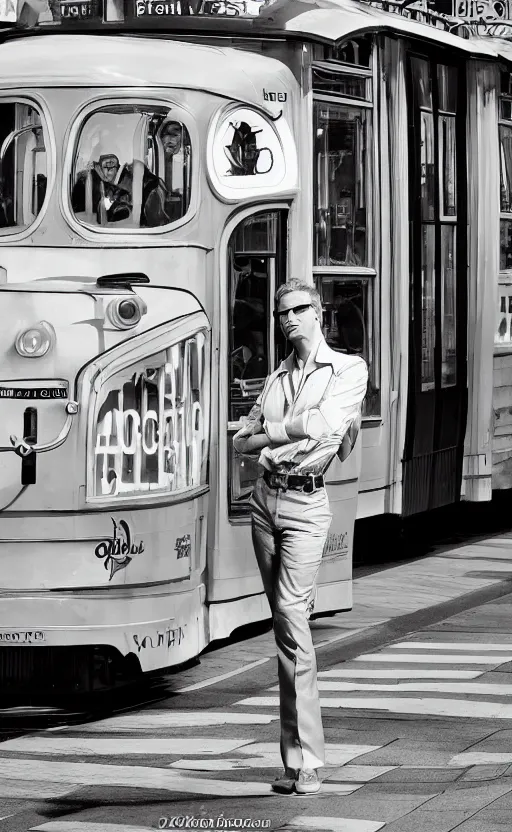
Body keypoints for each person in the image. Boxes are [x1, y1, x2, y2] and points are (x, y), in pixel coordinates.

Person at [233, 279, 368, 795]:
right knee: (285, 632)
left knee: (294, 620)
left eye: (297, 310)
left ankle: (308, 760)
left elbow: (325, 423)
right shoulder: (276, 377)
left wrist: (269, 433)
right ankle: (292, 762)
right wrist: (275, 432)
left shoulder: (348, 370)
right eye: (280, 312)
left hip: (308, 506)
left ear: (318, 314)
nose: (287, 319)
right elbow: (243, 439)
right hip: (264, 505)